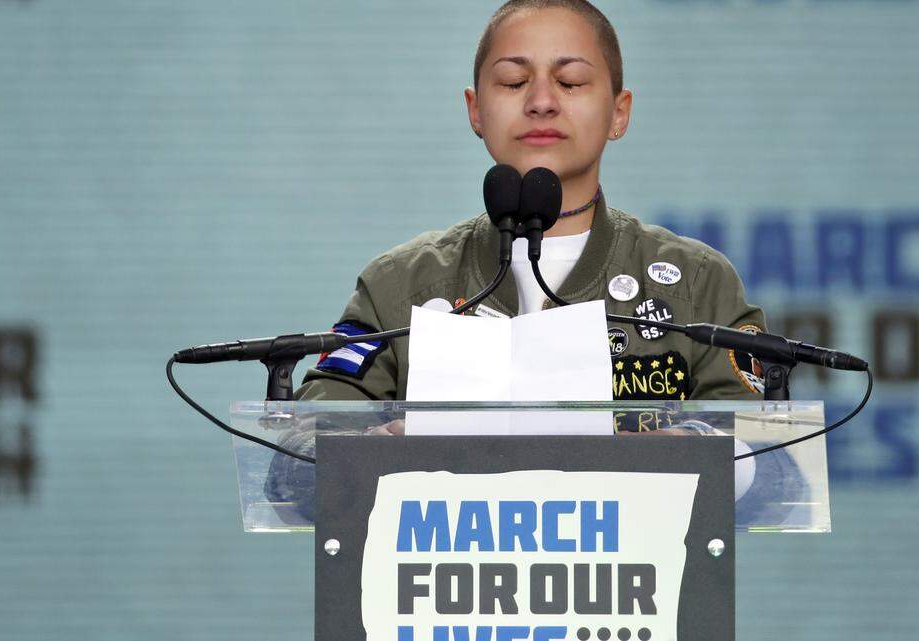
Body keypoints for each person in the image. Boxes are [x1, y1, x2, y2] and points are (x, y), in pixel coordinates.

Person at [296, 0, 767, 407]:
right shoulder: (400, 286)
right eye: (514, 81)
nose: (542, 102)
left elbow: (768, 458)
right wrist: (380, 449)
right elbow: (304, 448)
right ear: (476, 109)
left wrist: (684, 448)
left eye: (571, 81)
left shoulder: (698, 285)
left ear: (618, 112)